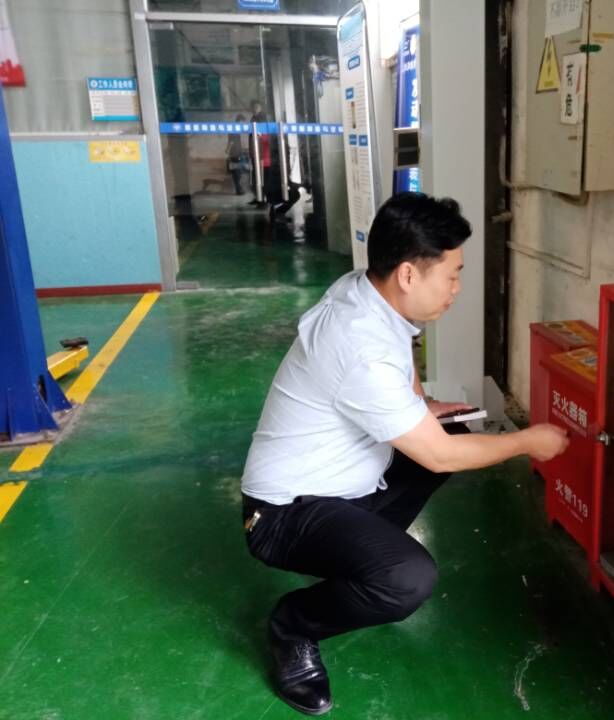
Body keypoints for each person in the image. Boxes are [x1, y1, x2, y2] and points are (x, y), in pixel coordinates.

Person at [240, 192, 569, 716]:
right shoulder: (360, 345)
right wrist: (529, 441)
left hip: (339, 483)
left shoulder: (366, 291)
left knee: (449, 430)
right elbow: (439, 456)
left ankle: (361, 558)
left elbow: (401, 350)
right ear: (409, 274)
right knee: (406, 577)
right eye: (452, 276)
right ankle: (293, 626)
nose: (456, 289)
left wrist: (422, 405)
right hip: (282, 514)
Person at [226, 113, 251, 195]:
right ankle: (238, 190)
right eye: (243, 122)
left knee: (237, 172)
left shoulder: (235, 129)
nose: (243, 125)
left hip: (236, 152)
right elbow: (231, 141)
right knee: (237, 172)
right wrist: (228, 149)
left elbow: (232, 141)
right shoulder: (235, 129)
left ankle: (239, 189)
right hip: (235, 153)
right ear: (240, 121)